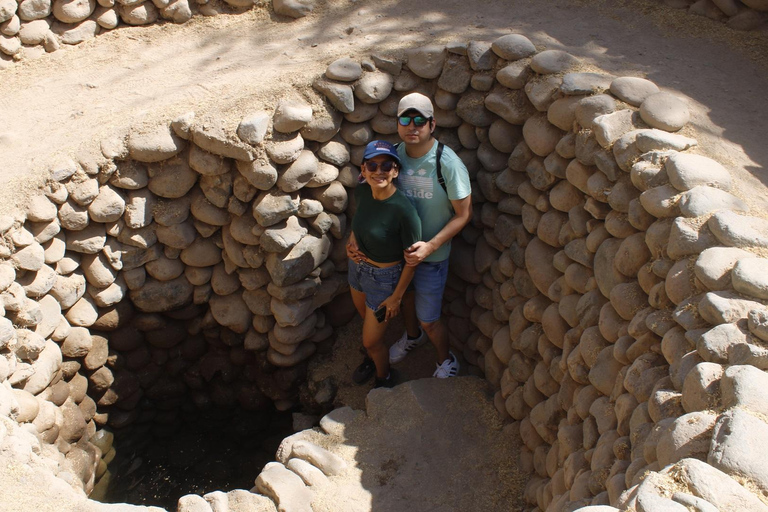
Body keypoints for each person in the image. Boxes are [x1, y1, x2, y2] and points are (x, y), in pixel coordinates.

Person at [348, 93, 473, 379]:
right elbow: (368, 197)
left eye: (420, 120)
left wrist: (430, 246)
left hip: (431, 256)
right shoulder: (389, 157)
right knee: (403, 300)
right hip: (396, 255)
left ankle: (445, 360)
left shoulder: (447, 163)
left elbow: (464, 214)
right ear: (398, 123)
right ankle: (412, 337)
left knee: (429, 319)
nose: (412, 126)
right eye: (406, 119)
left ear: (433, 124)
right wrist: (355, 235)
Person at [346, 140, 422, 388]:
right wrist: (352, 241)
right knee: (365, 322)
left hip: (384, 279)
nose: (379, 171)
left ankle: (384, 376)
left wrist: (396, 297)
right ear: (364, 169)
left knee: (371, 341)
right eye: (373, 165)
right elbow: (360, 221)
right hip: (356, 269)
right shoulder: (362, 191)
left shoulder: (404, 212)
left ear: (395, 171)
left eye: (386, 165)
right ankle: (373, 359)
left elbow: (412, 261)